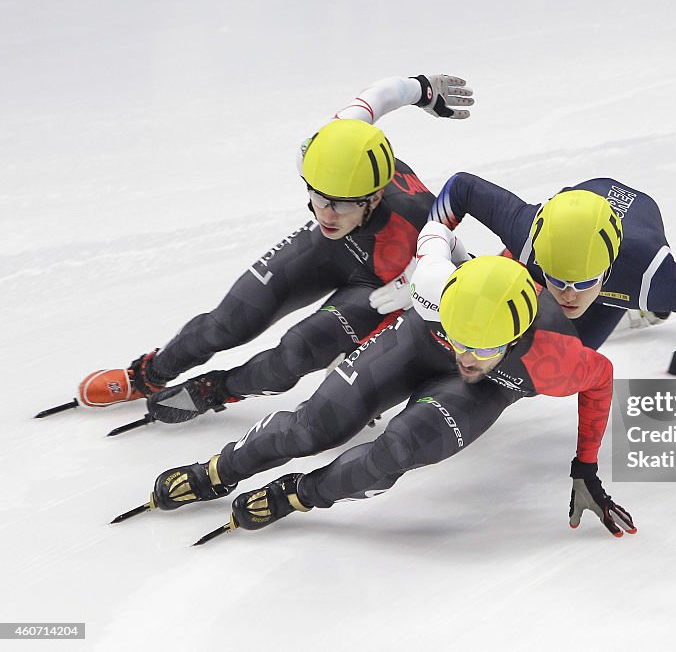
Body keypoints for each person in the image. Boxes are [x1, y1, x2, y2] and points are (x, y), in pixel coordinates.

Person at [127, 232, 635, 539]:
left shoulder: (557, 360)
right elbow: (442, 222)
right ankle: (220, 468)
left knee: (398, 447)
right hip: (418, 337)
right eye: (461, 339)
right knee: (313, 426)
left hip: (495, 386)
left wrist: (585, 467)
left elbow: (602, 382)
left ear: (516, 338)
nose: (465, 357)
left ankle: (302, 494)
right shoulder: (436, 286)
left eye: (481, 349)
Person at [74, 74, 476, 425]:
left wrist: (412, 288)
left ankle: (219, 390)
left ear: (372, 198)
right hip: (333, 254)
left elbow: (465, 269)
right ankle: (146, 375)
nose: (326, 214)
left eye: (340, 204)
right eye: (317, 198)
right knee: (227, 322)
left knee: (301, 349)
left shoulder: (421, 218)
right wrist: (423, 88)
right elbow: (379, 95)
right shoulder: (329, 142)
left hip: (378, 286)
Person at [426, 174, 676, 392]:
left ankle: (632, 310)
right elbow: (461, 188)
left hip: (631, 272)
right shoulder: (525, 233)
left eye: (582, 282)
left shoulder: (653, 279)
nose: (568, 295)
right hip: (565, 232)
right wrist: (426, 261)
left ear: (606, 269)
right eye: (557, 280)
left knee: (563, 360)